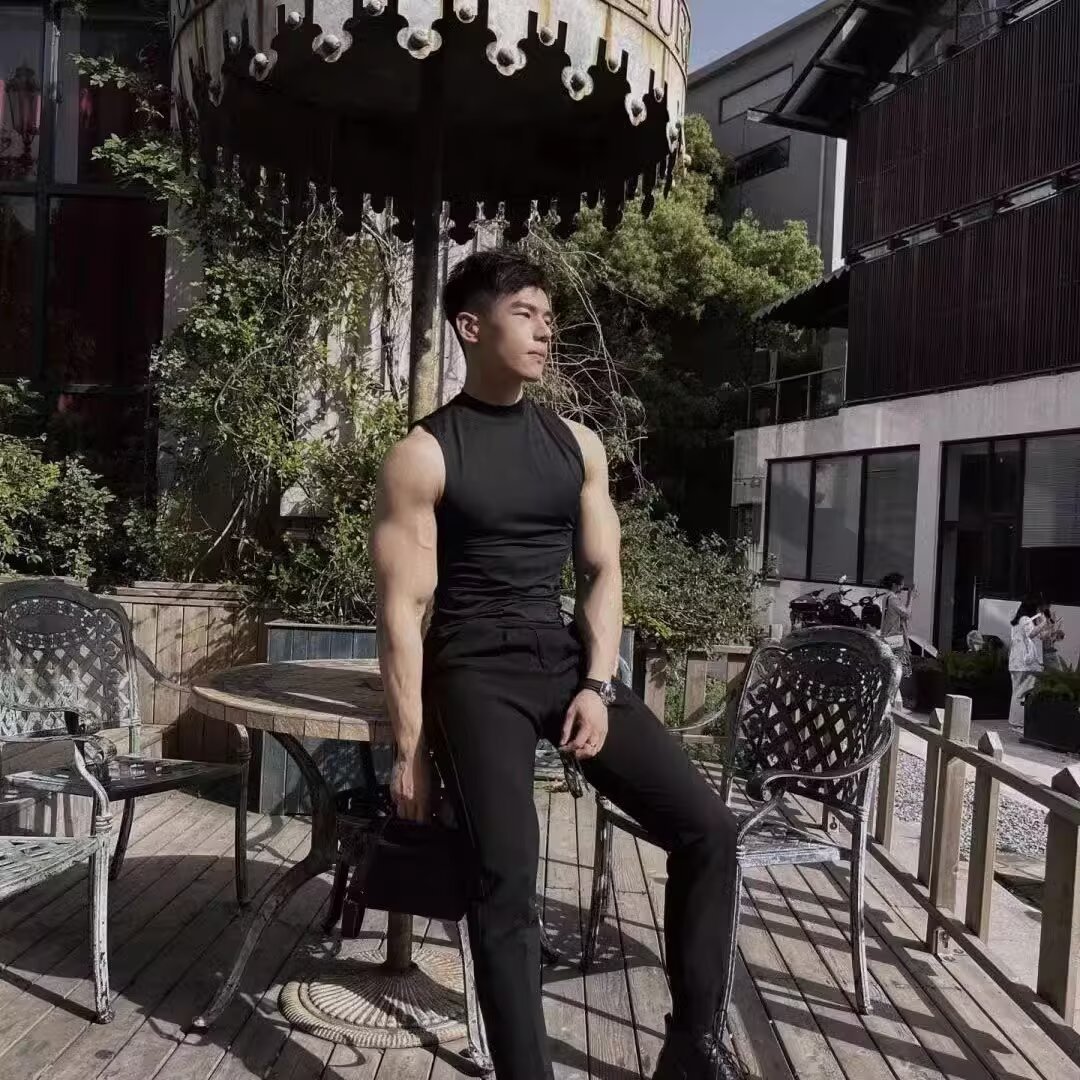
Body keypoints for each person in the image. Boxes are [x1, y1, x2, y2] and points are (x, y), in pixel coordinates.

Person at [371, 251, 740, 1080]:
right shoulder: (424, 455)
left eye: (548, 317)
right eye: (525, 314)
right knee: (505, 878)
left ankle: (692, 1049)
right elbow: (401, 613)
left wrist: (598, 684)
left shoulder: (577, 445)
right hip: (474, 669)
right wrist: (410, 751)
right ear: (472, 327)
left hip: (564, 659)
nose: (545, 331)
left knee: (709, 830)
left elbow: (603, 575)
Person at [1008, 598, 1046, 731]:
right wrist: (1043, 622)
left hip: (1015, 662)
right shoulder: (1025, 619)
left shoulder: (1016, 622)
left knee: (1017, 693)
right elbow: (1032, 633)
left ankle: (1014, 721)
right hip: (1024, 664)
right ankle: (1018, 723)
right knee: (1021, 693)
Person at [880, 573, 915, 707]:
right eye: (901, 584)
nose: (902, 587)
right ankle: (897, 699)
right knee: (900, 670)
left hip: (887, 638)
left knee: (891, 669)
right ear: (895, 585)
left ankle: (892, 698)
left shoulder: (887, 597)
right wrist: (911, 598)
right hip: (896, 640)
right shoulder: (893, 599)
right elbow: (907, 614)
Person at [1039, 601, 1066, 671]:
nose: (1049, 606)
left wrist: (1058, 633)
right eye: (1047, 605)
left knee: (1058, 673)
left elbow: (1056, 633)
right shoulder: (1036, 617)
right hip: (1044, 653)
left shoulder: (1050, 615)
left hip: (1050, 651)